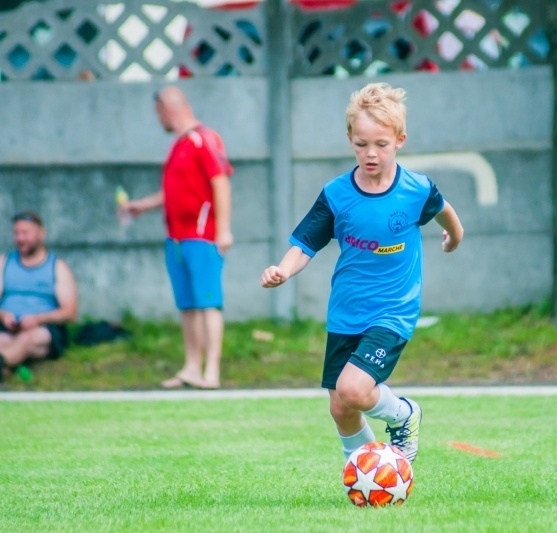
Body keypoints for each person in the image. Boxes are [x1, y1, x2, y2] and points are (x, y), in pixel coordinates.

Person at [260, 82, 463, 464]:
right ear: (349, 138)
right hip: (346, 312)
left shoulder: (416, 189)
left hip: (392, 312)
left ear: (400, 140)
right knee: (341, 407)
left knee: (353, 389)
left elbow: (445, 211)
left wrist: (454, 236)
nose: (370, 154)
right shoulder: (337, 194)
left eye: (381, 144)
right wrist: (283, 271)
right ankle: (368, 471)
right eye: (361, 144)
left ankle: (404, 414)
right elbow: (306, 243)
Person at [122, 86, 233, 390]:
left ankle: (211, 371)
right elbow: (174, 192)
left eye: (157, 113)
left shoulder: (203, 138)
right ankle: (191, 367)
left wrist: (223, 228)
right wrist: (141, 206)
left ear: (165, 108)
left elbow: (220, 181)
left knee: (209, 303)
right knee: (187, 305)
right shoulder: (179, 145)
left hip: (202, 236)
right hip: (176, 238)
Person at [0, 211, 78, 381]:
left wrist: (38, 318)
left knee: (27, 339)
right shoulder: (4, 262)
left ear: (41, 233)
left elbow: (70, 312)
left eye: (25, 233)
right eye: (17, 233)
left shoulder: (57, 267)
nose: (20, 238)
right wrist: (4, 315)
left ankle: (3, 364)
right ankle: (5, 366)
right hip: (8, 327)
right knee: (2, 340)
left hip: (43, 330)